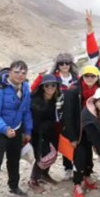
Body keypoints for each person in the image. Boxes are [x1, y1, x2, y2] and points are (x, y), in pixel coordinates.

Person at [0, 61, 33, 197]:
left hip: (16, 128)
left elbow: (26, 111)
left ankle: (14, 186)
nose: (20, 75)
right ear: (9, 72)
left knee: (14, 159)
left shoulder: (25, 87)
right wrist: (5, 129)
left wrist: (28, 131)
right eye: (17, 72)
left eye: (23, 73)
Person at [30, 52, 78, 180]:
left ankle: (46, 173)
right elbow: (34, 89)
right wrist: (39, 77)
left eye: (67, 63)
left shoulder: (76, 79)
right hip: (50, 120)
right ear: (57, 65)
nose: (64, 66)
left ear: (71, 64)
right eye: (61, 63)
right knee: (45, 148)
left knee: (61, 145)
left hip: (67, 117)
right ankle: (36, 177)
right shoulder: (52, 78)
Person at [62, 65, 100, 197]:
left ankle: (87, 176)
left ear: (97, 77)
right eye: (86, 76)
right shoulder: (73, 91)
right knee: (79, 155)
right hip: (78, 130)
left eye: (92, 76)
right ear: (82, 77)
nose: (89, 78)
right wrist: (72, 137)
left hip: (93, 128)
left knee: (89, 154)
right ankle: (77, 183)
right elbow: (68, 115)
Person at [28, 74, 61, 193]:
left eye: (53, 85)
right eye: (47, 85)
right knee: (42, 156)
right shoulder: (36, 101)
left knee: (53, 154)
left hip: (52, 132)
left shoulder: (56, 99)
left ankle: (44, 174)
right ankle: (33, 180)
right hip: (38, 134)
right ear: (42, 87)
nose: (50, 87)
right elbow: (35, 121)